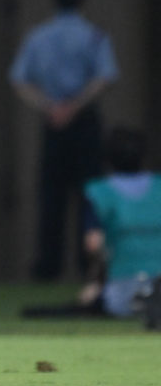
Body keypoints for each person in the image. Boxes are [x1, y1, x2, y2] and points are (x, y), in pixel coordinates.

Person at [9, 0, 119, 281]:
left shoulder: (38, 36)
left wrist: (50, 106)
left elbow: (19, 80)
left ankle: (48, 266)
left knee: (51, 196)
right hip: (83, 121)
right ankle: (90, 265)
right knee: (91, 196)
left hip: (52, 121)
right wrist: (75, 105)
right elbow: (105, 77)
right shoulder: (94, 35)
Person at [83, 128, 161, 319]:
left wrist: (98, 284)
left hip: (123, 285)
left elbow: (94, 244)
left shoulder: (99, 191)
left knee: (104, 300)